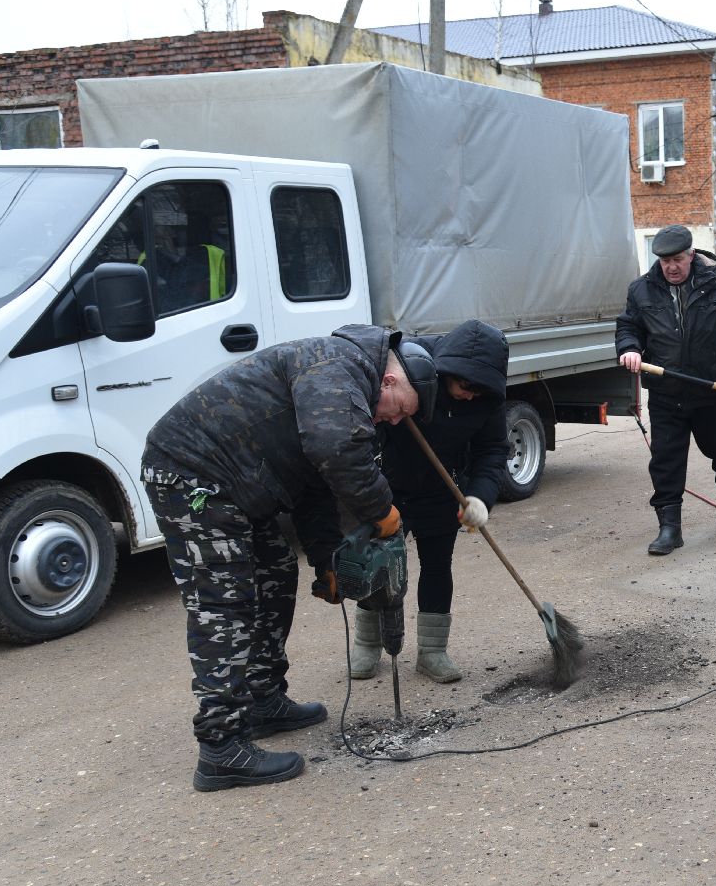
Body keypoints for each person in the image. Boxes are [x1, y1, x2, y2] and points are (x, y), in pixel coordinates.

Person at [142, 324, 437, 792]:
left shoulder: (346, 382)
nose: (396, 421)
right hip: (193, 475)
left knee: (276, 574)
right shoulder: (338, 364)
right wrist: (382, 511)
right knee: (225, 604)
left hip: (237, 486)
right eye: (400, 410)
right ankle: (221, 748)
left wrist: (326, 560)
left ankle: (263, 699)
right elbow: (334, 450)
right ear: (389, 381)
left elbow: (315, 483)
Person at [352, 319, 512, 684]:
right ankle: (367, 643)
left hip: (443, 489)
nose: (470, 395)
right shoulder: (413, 368)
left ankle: (432, 651)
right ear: (448, 372)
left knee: (438, 566)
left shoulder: (487, 397)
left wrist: (480, 498)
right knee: (377, 564)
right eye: (465, 387)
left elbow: (492, 450)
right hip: (388, 486)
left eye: (479, 390)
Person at [616, 225, 716, 555]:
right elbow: (628, 327)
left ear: (691, 255)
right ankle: (669, 529)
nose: (671, 267)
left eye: (677, 259)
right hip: (666, 394)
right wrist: (630, 348)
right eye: (665, 261)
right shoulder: (641, 290)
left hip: (711, 391)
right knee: (665, 461)